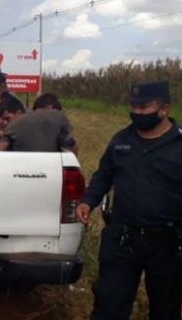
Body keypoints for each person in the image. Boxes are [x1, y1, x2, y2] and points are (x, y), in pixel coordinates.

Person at [76, 81, 182, 320]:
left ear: (164, 109)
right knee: (109, 306)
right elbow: (104, 174)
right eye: (134, 106)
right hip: (122, 238)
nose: (137, 112)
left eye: (144, 107)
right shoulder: (121, 139)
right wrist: (88, 201)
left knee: (166, 309)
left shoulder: (179, 144)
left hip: (167, 243)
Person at [0, 93, 78, 153]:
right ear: (51, 107)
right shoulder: (58, 116)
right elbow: (73, 146)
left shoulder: (13, 126)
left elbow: (0, 150)